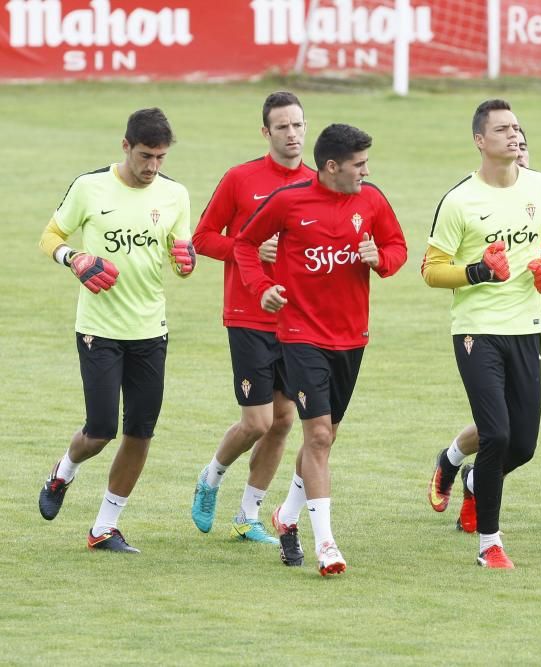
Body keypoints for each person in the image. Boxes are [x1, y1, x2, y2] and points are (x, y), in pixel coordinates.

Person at [234, 123, 406, 576]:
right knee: (319, 436)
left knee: (327, 436)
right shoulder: (290, 201)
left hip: (351, 338)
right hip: (300, 335)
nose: (366, 172)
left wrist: (381, 260)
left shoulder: (371, 200)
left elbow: (397, 246)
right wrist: (262, 287)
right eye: (359, 165)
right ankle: (326, 544)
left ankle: (287, 515)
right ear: (332, 167)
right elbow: (245, 244)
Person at [37, 108, 195, 553]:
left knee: (140, 432)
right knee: (101, 429)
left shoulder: (175, 195)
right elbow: (51, 235)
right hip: (99, 329)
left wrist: (187, 261)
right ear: (125, 146)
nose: (152, 167)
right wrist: (75, 259)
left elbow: (180, 251)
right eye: (146, 156)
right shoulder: (90, 187)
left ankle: (105, 527)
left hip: (150, 329)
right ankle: (63, 472)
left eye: (161, 157)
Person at [422, 99, 541, 568]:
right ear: (480, 140)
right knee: (497, 433)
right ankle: (490, 545)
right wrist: (477, 271)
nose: (514, 135)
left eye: (518, 127)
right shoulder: (460, 200)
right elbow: (431, 270)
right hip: (476, 330)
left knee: (522, 445)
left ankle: (458, 469)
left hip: (527, 327)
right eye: (503, 129)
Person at [190, 91, 314, 544]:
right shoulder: (241, 179)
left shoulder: (316, 184)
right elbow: (202, 238)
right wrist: (248, 248)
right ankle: (211, 476)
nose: (293, 134)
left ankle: (248, 515)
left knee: (283, 421)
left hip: (296, 320)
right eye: (282, 126)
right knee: (258, 422)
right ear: (266, 132)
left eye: (298, 125)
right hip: (247, 314)